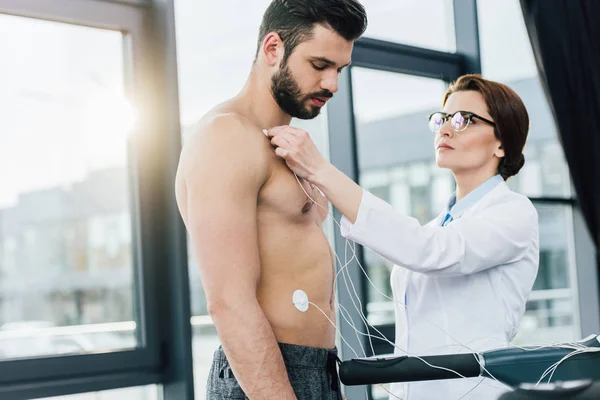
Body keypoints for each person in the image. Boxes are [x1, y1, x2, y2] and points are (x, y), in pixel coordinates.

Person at [267, 74, 540, 399]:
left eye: (463, 119)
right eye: (441, 118)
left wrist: (321, 171)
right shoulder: (442, 224)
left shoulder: (514, 212)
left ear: (501, 143)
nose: (446, 129)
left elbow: (428, 252)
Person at [174, 1, 367, 399]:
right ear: (273, 48)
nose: (332, 83)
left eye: (339, 70)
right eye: (319, 65)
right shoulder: (226, 137)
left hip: (319, 369)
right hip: (266, 376)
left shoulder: (290, 149)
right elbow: (228, 302)